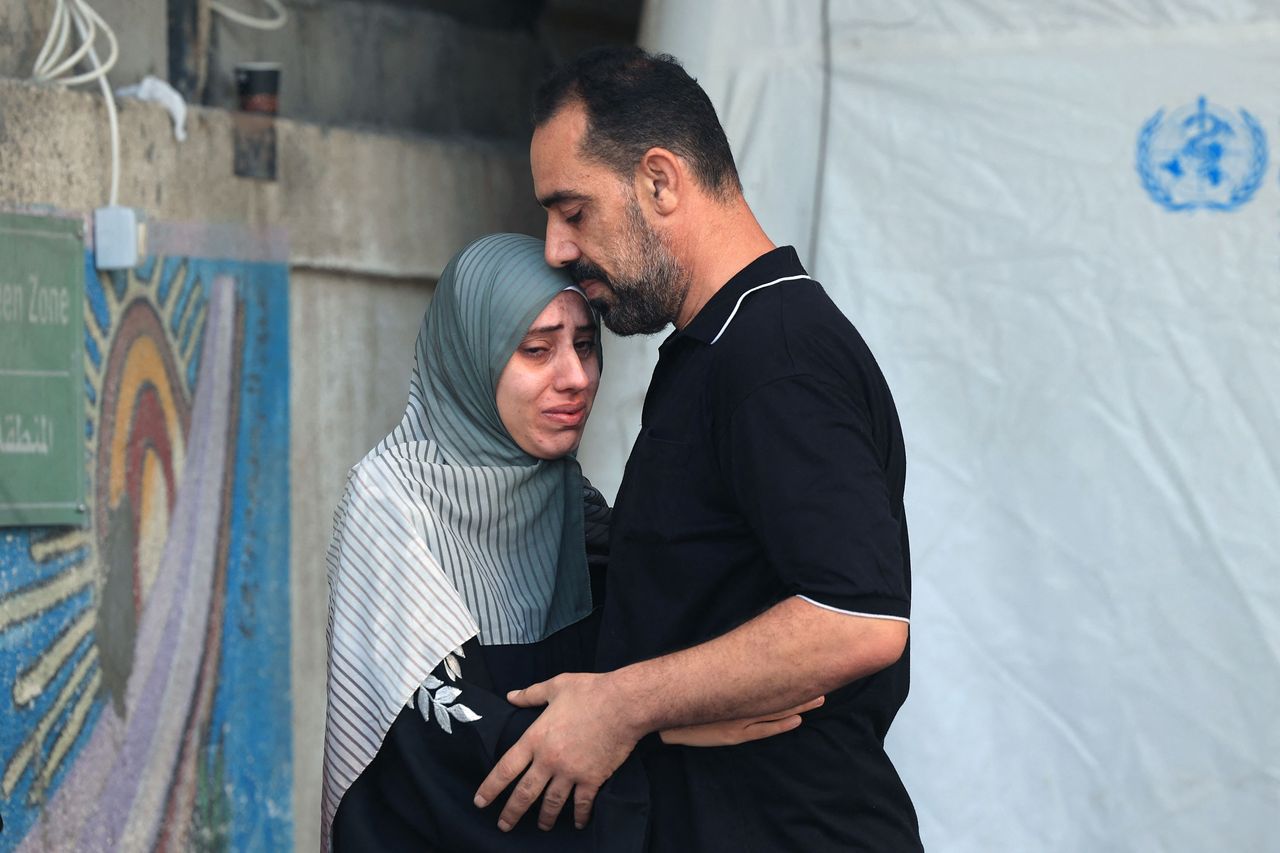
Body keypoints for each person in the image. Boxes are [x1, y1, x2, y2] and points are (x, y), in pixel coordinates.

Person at [474, 48, 924, 851]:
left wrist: (622, 705)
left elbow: (856, 619)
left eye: (573, 210)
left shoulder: (775, 354)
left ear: (659, 180)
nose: (555, 249)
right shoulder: (721, 346)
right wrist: (674, 712)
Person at [321, 233, 820, 851]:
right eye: (536, 350)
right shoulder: (391, 501)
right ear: (468, 358)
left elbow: (642, 655)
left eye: (585, 346)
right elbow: (444, 752)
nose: (576, 378)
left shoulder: (569, 501)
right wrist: (665, 731)